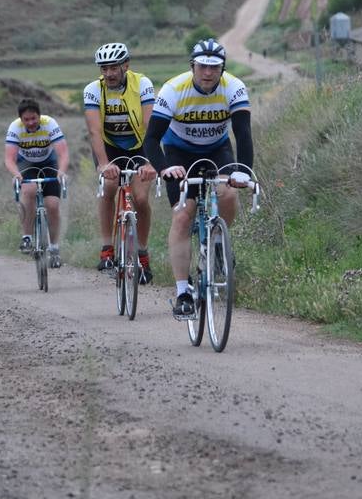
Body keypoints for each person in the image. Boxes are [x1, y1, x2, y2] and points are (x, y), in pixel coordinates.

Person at [144, 38, 254, 316]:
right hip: (178, 153)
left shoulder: (235, 88)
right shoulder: (173, 89)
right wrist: (164, 168)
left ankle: (218, 242)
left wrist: (242, 171)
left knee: (228, 191)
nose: (208, 73)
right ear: (192, 66)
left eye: (214, 67)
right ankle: (182, 292)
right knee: (183, 215)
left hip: (218, 148)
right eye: (202, 66)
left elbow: (243, 134)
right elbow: (152, 139)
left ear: (222, 69)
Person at [83, 42, 157, 284]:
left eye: (114, 67)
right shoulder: (93, 90)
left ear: (126, 65)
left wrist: (149, 161)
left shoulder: (142, 84)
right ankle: (107, 249)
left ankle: (143, 256)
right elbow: (94, 131)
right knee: (109, 186)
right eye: (104, 68)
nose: (109, 74)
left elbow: (149, 126)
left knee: (142, 198)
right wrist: (104, 165)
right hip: (109, 147)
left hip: (139, 146)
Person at [4, 97, 69, 266]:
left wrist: (61, 171)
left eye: (34, 118)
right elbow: (9, 159)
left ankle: (54, 248)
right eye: (26, 119)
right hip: (26, 164)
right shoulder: (15, 128)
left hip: (49, 162)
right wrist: (16, 174)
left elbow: (63, 153)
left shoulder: (50, 124)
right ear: (21, 119)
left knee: (53, 206)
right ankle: (27, 237)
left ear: (40, 116)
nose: (31, 122)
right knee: (29, 190)